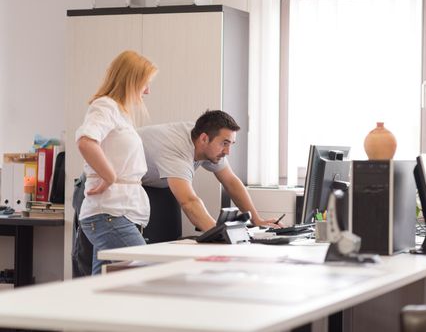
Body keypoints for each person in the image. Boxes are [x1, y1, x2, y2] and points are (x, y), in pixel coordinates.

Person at [75, 50, 157, 275]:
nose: (147, 91)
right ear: (131, 81)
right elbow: (85, 141)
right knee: (145, 270)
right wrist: (109, 175)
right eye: (145, 83)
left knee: (105, 284)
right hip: (108, 213)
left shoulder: (121, 113)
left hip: (116, 212)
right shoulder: (105, 106)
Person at [138, 110, 281, 232]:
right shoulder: (176, 149)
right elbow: (189, 201)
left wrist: (257, 221)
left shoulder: (207, 143)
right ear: (204, 139)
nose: (228, 151)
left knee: (167, 237)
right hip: (127, 186)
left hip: (159, 182)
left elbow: (231, 182)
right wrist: (219, 234)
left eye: (230, 144)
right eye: (224, 143)